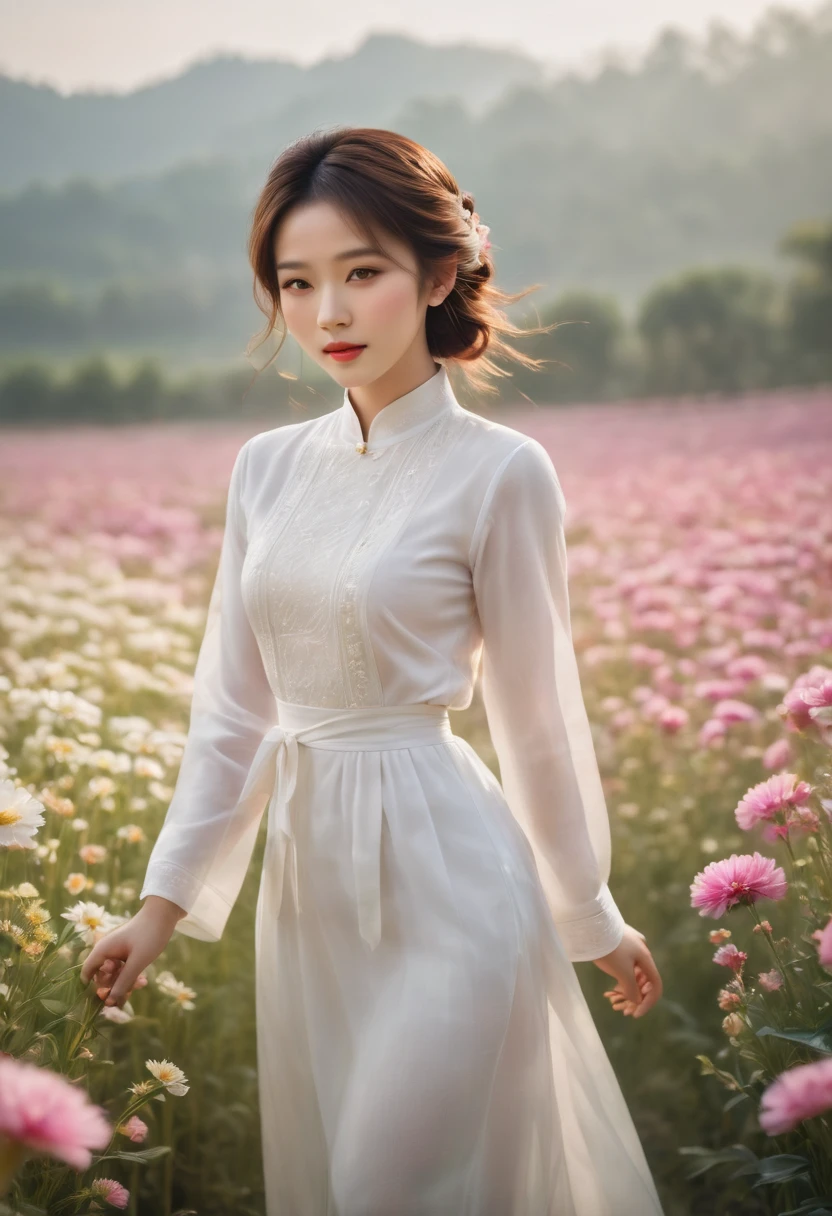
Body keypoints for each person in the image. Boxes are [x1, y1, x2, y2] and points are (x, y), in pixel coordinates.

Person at [81, 126, 665, 1215]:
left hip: (447, 867)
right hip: (308, 887)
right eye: (296, 284)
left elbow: (535, 721)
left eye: (362, 274)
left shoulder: (501, 473)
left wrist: (586, 912)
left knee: (382, 1183)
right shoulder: (264, 469)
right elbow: (233, 713)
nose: (329, 315)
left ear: (437, 273)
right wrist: (158, 906)